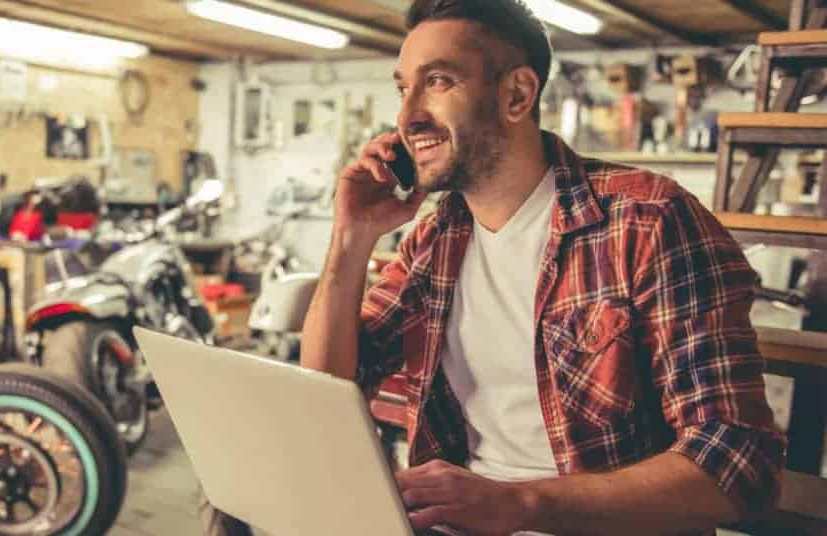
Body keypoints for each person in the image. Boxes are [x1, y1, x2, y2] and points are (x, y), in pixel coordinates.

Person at [300, 1, 786, 535]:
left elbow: (739, 465)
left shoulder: (648, 222)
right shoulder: (435, 241)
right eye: (403, 88)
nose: (408, 115)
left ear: (517, 96)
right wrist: (351, 237)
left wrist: (519, 504)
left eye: (437, 81)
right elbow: (328, 392)